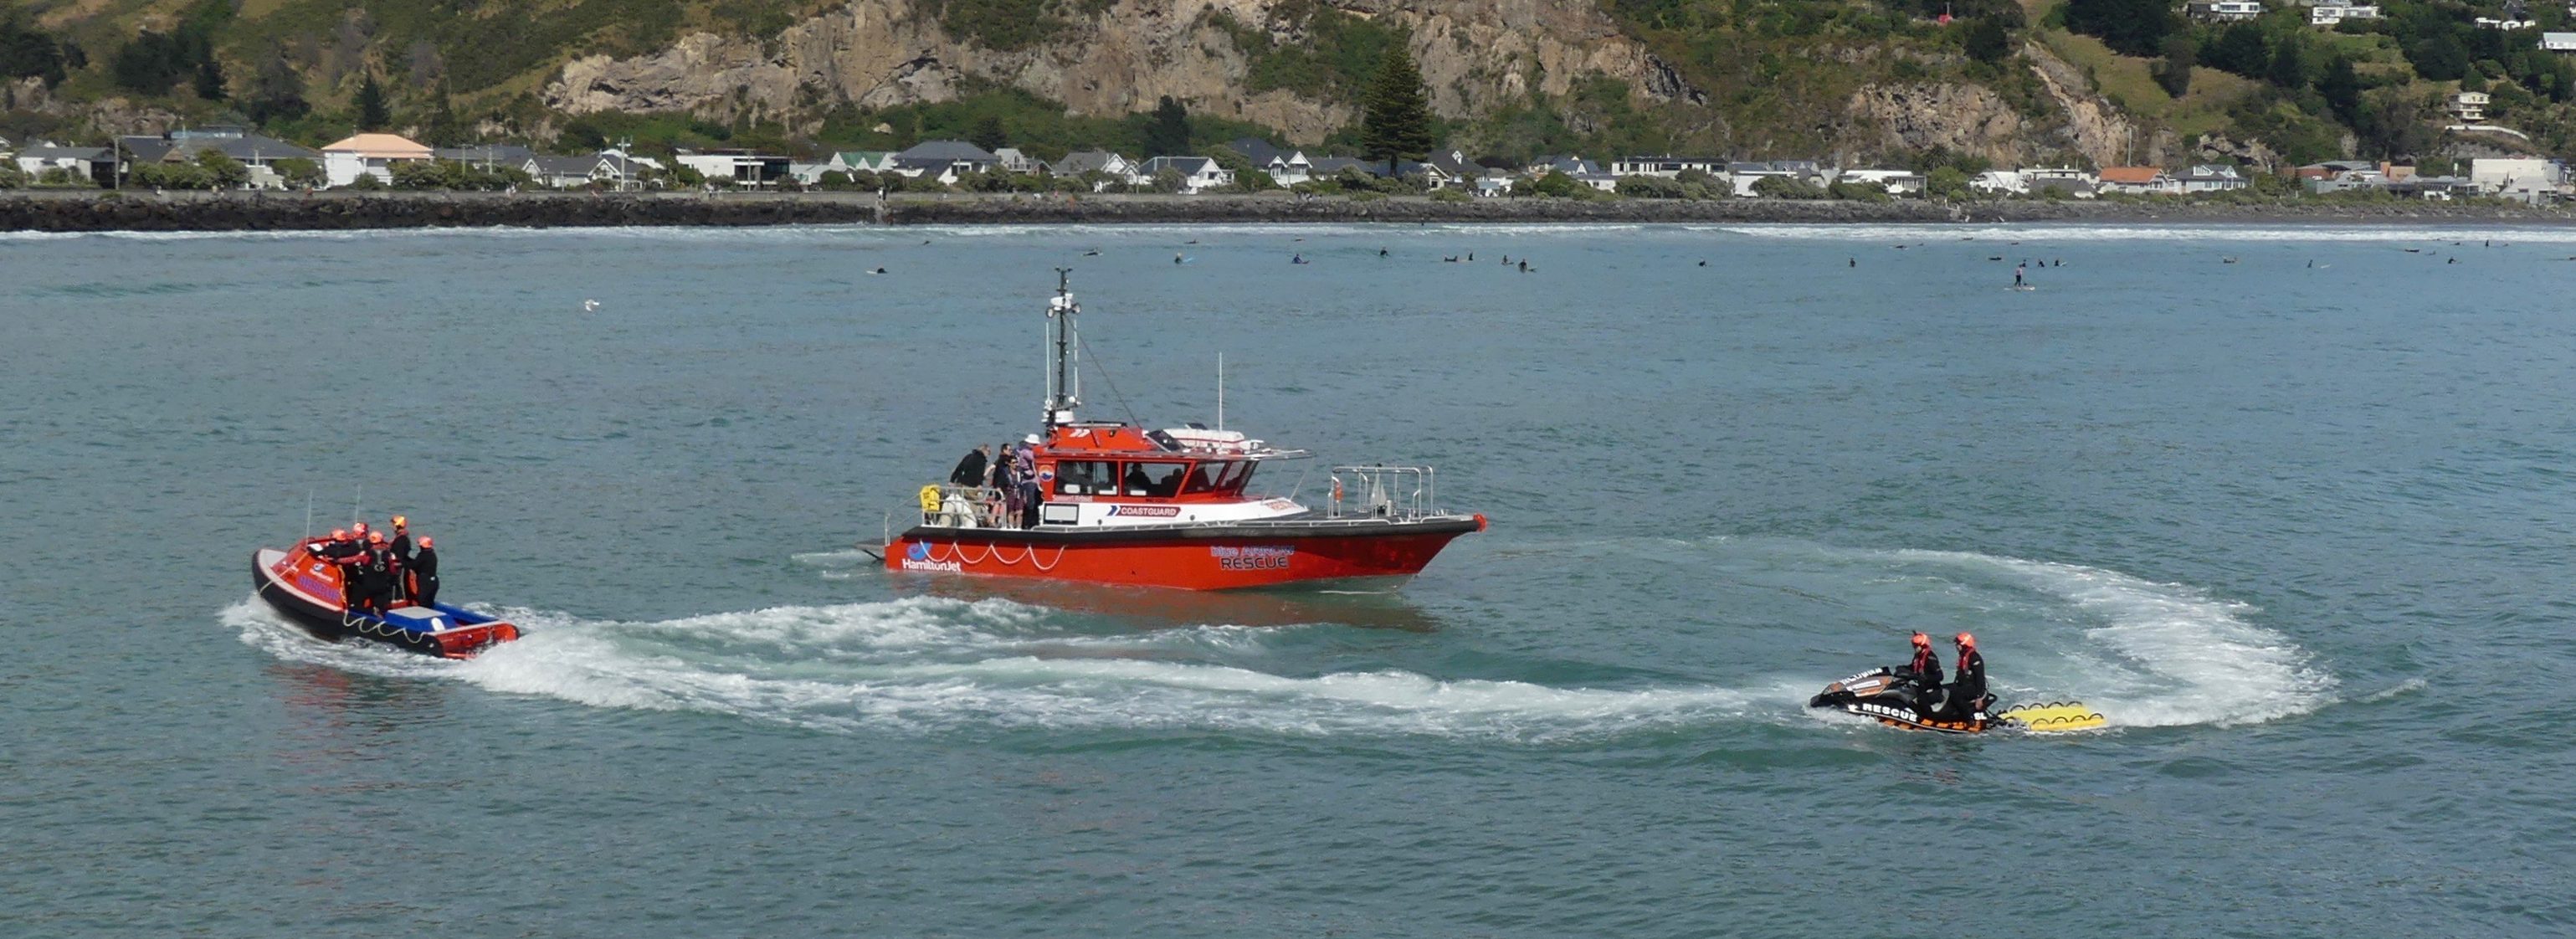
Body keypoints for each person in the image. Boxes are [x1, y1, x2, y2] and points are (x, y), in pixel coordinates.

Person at [1946, 632, 1988, 720]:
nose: (1956, 646)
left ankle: (1968, 719)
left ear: (1964, 645)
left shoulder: (1974, 658)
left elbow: (1980, 678)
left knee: (1955, 695)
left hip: (1974, 688)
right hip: (1964, 685)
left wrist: (1979, 697)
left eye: (1958, 644)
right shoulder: (1963, 656)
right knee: (1945, 690)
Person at [387, 516, 413, 602]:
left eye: (393, 524)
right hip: (397, 565)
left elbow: (399, 555)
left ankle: (399, 598)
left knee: (397, 583)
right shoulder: (401, 538)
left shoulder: (401, 539)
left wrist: (394, 562)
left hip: (398, 566)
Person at [408, 536, 440, 607]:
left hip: (425, 580)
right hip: (434, 580)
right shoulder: (432, 554)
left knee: (421, 600)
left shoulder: (423, 555)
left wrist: (405, 563)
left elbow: (413, 565)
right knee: (429, 601)